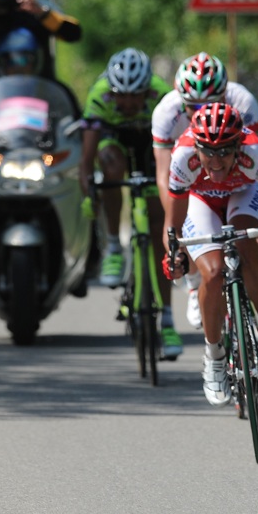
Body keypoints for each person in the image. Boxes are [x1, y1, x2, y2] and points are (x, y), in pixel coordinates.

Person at [162, 103, 258, 405]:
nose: (215, 161)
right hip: (201, 200)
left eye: (224, 152)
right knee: (214, 271)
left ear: (238, 146)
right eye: (208, 151)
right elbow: (174, 223)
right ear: (196, 146)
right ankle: (215, 356)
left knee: (246, 245)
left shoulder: (256, 154)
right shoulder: (182, 158)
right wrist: (174, 255)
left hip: (243, 195)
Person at [151, 53, 258, 333]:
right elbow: (164, 179)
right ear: (180, 99)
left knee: (248, 243)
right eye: (193, 106)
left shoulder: (242, 101)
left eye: (211, 103)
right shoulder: (166, 113)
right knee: (206, 258)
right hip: (195, 185)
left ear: (225, 96)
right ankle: (196, 283)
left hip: (240, 185)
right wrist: (179, 246)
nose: (201, 111)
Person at [79, 48, 184, 358]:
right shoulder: (100, 96)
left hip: (153, 148)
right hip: (115, 142)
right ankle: (113, 245)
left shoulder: (164, 97)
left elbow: (178, 155)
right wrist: (90, 196)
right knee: (109, 167)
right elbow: (86, 161)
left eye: (134, 97)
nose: (126, 103)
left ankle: (166, 319)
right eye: (120, 96)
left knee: (158, 236)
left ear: (147, 91)